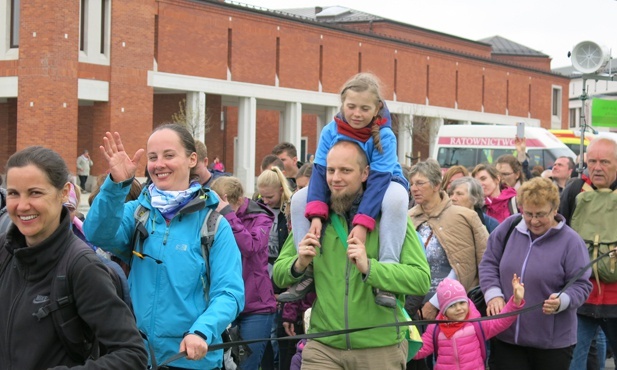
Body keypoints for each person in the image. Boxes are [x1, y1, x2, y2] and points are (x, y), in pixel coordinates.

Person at [84, 124, 245, 369]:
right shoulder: (137, 212)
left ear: (192, 159)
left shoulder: (213, 224)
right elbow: (96, 232)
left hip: (190, 359)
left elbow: (230, 293)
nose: (159, 164)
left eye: (169, 155)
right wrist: (117, 185)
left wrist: (202, 331)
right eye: (152, 157)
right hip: (137, 356)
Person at [273, 140, 431, 370]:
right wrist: (299, 264)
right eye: (330, 170)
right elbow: (278, 275)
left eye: (346, 171)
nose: (336, 178)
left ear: (365, 173)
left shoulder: (389, 216)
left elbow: (420, 279)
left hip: (379, 348)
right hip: (323, 347)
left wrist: (371, 268)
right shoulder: (315, 217)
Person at [0, 145, 147, 369]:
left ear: (63, 192)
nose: (22, 205)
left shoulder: (82, 267)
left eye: (35, 192)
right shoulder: (4, 251)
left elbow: (131, 354)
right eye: (13, 193)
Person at [283, 72, 410, 308]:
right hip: (343, 179)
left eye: (364, 108)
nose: (357, 114)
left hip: (382, 181)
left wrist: (362, 224)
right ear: (342, 104)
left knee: (396, 199)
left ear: (377, 107)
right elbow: (321, 173)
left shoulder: (385, 136)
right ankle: (308, 264)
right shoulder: (330, 130)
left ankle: (388, 270)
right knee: (300, 199)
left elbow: (377, 183)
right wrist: (317, 215)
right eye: (351, 107)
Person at [480, 177, 592, 370]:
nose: (534, 221)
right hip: (506, 336)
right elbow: (489, 263)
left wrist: (562, 300)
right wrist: (493, 295)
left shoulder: (571, 241)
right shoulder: (508, 228)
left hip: (552, 344)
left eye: (540, 214)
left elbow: (581, 285)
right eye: (528, 213)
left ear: (555, 209)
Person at [559, 137, 617, 370]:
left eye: (604, 162)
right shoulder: (574, 189)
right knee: (573, 361)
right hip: (581, 295)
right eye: (592, 161)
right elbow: (560, 233)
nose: (597, 167)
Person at [408, 159, 488, 321]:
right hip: (413, 306)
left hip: (455, 308)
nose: (414, 189)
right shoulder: (408, 217)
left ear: (437, 185)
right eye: (412, 184)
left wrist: (436, 303)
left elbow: (466, 265)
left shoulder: (464, 216)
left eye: (420, 183)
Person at [210, 176, 276, 370]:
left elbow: (251, 246)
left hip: (256, 306)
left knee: (246, 366)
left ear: (234, 200)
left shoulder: (261, 217)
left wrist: (229, 216)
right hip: (225, 301)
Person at [413, 276, 525, 370]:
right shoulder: (435, 329)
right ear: (443, 310)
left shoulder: (476, 325)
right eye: (451, 306)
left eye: (462, 303)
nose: (459, 308)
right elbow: (420, 350)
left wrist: (515, 302)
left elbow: (500, 321)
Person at [255, 166, 293, 370]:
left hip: (282, 279)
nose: (265, 200)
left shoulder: (290, 213)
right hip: (263, 279)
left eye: (269, 196)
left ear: (280, 189)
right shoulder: (258, 210)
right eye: (262, 196)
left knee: (279, 337)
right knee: (266, 337)